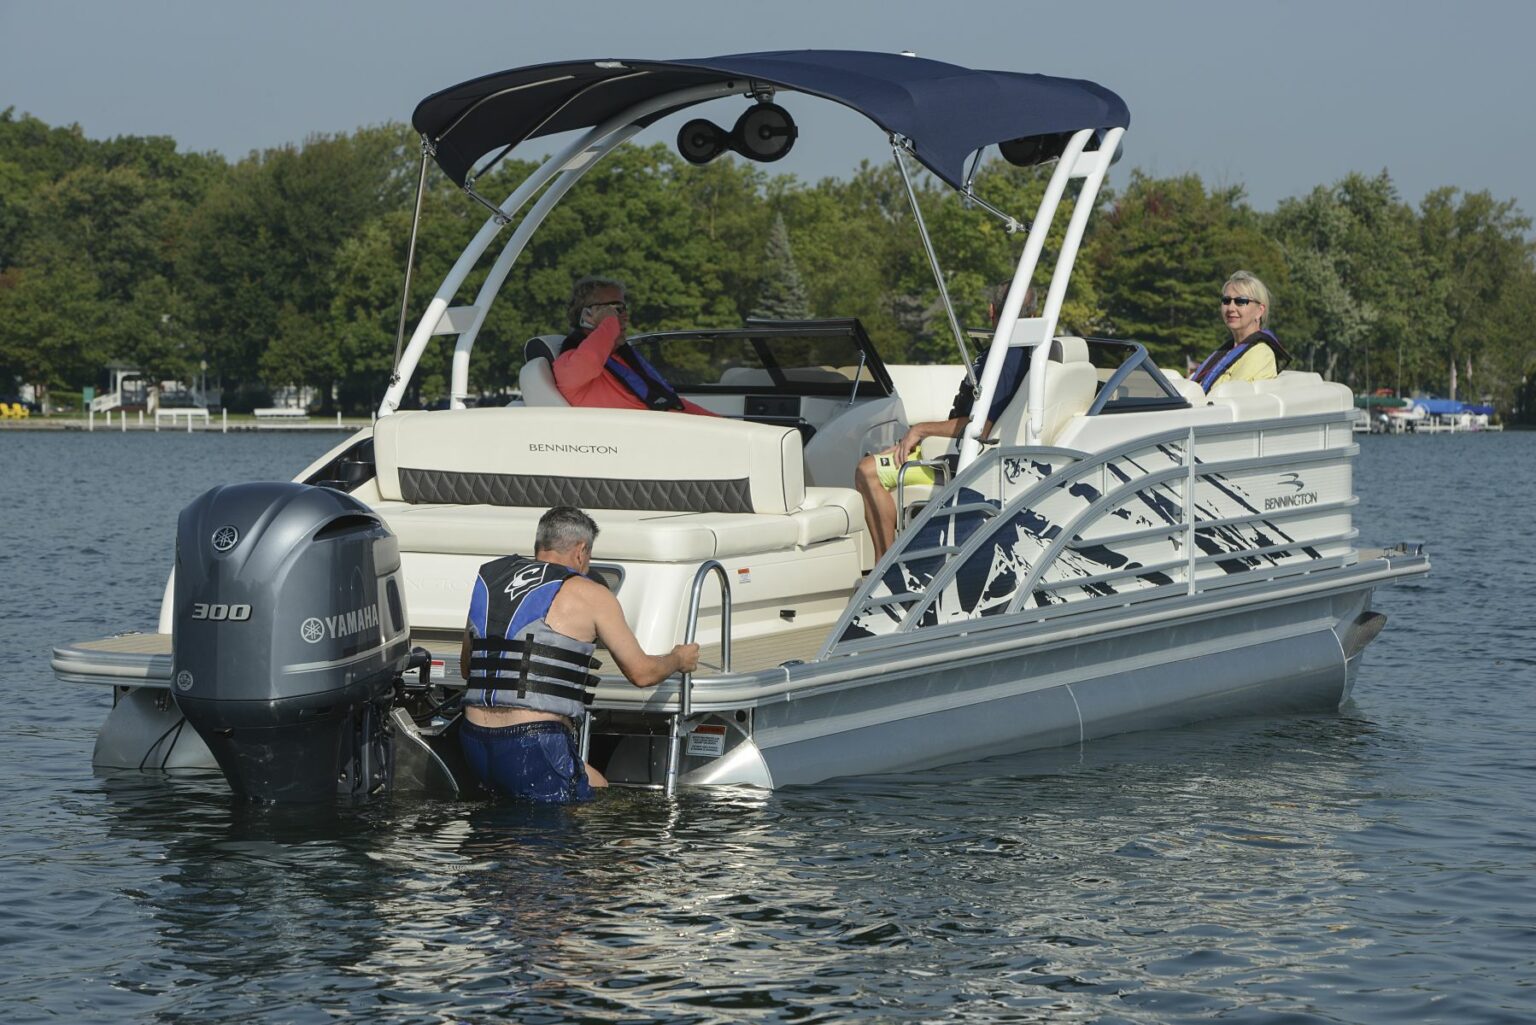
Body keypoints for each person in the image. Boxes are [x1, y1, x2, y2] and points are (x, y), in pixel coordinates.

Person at [458, 505, 701, 803]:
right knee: (597, 822)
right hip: (532, 742)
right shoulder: (590, 593)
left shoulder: (490, 578)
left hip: (473, 739)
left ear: (539, 544)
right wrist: (678, 659)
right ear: (581, 551)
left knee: (588, 789)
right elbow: (642, 673)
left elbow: (467, 667)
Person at [854, 282, 1036, 559]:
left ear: (991, 311)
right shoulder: (1020, 354)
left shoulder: (1004, 358)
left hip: (958, 462)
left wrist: (921, 430)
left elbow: (980, 426)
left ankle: (884, 571)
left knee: (867, 470)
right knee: (887, 456)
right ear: (1033, 316)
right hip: (963, 453)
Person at [552, 276, 716, 415]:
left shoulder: (619, 358)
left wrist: (722, 424)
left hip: (673, 431)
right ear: (588, 315)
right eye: (616, 309)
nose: (625, 316)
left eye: (624, 308)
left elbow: (670, 402)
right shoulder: (569, 363)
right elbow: (589, 359)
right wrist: (609, 324)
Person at [1190, 270, 1291, 392]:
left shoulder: (1261, 354)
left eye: (1241, 301)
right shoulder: (1226, 352)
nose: (1231, 308)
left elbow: (1232, 395)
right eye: (1226, 301)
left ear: (1259, 311)